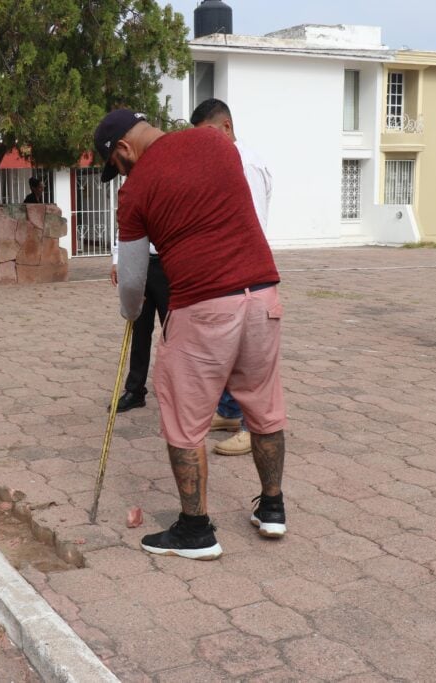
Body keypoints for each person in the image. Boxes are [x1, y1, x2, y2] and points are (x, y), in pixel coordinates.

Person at [94, 109, 288, 560]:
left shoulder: (136, 190)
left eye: (118, 167)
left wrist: (130, 310)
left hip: (202, 305)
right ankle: (273, 508)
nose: (122, 175)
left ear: (123, 150)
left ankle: (195, 530)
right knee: (264, 405)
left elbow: (132, 280)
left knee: (184, 419)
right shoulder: (217, 143)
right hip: (262, 294)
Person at [191, 98, 273, 457]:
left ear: (226, 127)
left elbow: (248, 221)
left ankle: (250, 428)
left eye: (207, 134)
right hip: (228, 269)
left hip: (246, 272)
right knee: (227, 349)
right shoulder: (225, 160)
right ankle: (228, 412)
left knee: (247, 357)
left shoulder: (245, 164)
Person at [108, 242, 169, 413]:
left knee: (174, 333)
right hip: (139, 265)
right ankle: (135, 390)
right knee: (139, 331)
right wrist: (118, 260)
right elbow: (126, 228)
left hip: (170, 265)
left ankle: (180, 392)